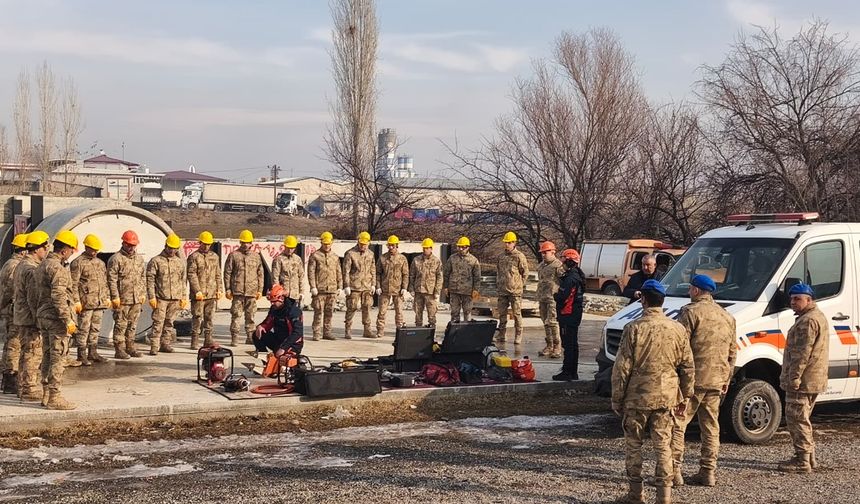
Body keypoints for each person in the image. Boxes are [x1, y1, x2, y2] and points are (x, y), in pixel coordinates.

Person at [612, 280, 695, 504]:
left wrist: (617, 398)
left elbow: (622, 367)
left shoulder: (634, 328)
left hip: (637, 396)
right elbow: (687, 365)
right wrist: (686, 395)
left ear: (643, 299)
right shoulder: (678, 329)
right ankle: (664, 496)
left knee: (634, 445)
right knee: (663, 445)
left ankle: (636, 494)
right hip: (667, 396)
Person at [668, 274, 737, 487]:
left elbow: (680, 345)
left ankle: (674, 472)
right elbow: (732, 351)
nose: (689, 292)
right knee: (710, 426)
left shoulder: (690, 312)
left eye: (690, 288)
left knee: (678, 423)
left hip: (692, 380)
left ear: (696, 291)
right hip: (716, 380)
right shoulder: (727, 316)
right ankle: (708, 472)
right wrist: (727, 376)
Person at [777, 282, 828, 473]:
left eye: (797, 299)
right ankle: (810, 457)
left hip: (803, 380)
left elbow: (801, 354)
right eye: (791, 299)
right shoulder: (817, 317)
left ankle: (802, 460)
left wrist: (794, 378)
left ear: (809, 299)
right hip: (814, 378)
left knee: (796, 419)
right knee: (803, 418)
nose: (793, 302)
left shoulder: (807, 321)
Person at [35, 230, 79, 410]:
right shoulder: (58, 268)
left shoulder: (42, 265)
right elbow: (59, 295)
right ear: (65, 249)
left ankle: (46, 394)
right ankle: (55, 396)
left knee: (47, 354)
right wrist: (67, 319)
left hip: (43, 315)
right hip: (56, 318)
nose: (71, 253)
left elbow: (33, 294)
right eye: (71, 250)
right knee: (58, 356)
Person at [15, 231, 50, 400]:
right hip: (30, 318)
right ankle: (29, 388)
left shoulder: (21, 264)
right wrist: (39, 318)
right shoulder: (31, 269)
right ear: (37, 249)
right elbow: (33, 297)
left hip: (22, 316)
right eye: (45, 248)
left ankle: (22, 386)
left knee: (26, 352)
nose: (46, 251)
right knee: (33, 353)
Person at [69, 234, 110, 366]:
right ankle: (82, 354)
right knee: (83, 328)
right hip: (85, 302)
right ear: (86, 247)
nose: (94, 252)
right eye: (92, 249)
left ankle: (93, 351)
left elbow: (104, 282)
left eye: (96, 250)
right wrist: (76, 301)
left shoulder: (100, 263)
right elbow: (73, 284)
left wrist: (107, 297)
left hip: (99, 302)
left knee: (95, 328)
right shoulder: (78, 263)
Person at [146, 234, 188, 355]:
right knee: (158, 322)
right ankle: (154, 346)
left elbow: (182, 280)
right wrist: (152, 296)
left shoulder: (179, 262)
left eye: (175, 248)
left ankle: (165, 344)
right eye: (170, 248)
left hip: (175, 298)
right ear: (165, 246)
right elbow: (150, 280)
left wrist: (183, 297)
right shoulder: (156, 261)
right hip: (161, 298)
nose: (172, 250)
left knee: (169, 322)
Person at [108, 230, 147, 359]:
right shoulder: (116, 259)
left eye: (133, 245)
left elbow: (142, 277)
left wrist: (142, 293)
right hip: (122, 299)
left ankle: (130, 347)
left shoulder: (139, 259)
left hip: (136, 299)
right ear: (123, 243)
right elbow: (111, 279)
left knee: (132, 324)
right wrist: (115, 297)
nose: (131, 248)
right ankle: (119, 349)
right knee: (121, 324)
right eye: (129, 245)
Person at [223, 229, 263, 346]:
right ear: (240, 242)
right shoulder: (234, 255)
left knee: (250, 316)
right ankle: (234, 337)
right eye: (244, 242)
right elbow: (227, 273)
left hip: (251, 292)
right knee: (236, 315)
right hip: (238, 292)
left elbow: (260, 274)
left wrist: (260, 290)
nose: (246, 245)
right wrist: (228, 289)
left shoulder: (256, 256)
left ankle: (250, 337)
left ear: (252, 243)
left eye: (248, 242)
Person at [0, 233, 28, 393]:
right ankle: (10, 379)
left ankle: (8, 378)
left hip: (10, 309)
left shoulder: (9, 263)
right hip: (13, 310)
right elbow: (10, 291)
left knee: (11, 344)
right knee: (14, 344)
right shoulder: (15, 266)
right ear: (23, 251)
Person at [187, 231, 222, 349]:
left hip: (211, 293)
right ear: (199, 243)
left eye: (208, 244)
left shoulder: (214, 257)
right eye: (204, 244)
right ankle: (195, 340)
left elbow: (218, 274)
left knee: (209, 318)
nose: (206, 246)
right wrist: (197, 290)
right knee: (197, 317)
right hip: (199, 294)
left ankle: (208, 340)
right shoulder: (194, 257)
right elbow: (191, 274)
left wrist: (219, 289)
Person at [553, 249, 585, 380]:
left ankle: (567, 372)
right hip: (575, 313)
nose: (562, 262)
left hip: (568, 314)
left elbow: (562, 297)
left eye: (564, 260)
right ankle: (573, 371)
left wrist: (555, 294)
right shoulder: (578, 275)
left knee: (568, 344)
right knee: (573, 343)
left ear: (569, 261)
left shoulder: (570, 278)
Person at [307, 231, 342, 341]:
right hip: (320, 289)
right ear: (321, 242)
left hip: (332, 289)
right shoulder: (315, 256)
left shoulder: (335, 257)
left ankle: (327, 332)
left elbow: (338, 272)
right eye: (324, 243)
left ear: (332, 243)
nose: (326, 246)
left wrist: (340, 286)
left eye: (328, 243)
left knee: (329, 312)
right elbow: (311, 272)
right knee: (318, 312)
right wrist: (313, 286)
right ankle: (316, 333)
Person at [496, 231, 529, 345]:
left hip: (515, 292)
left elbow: (525, 272)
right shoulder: (501, 257)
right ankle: (502, 334)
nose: (507, 245)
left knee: (516, 314)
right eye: (506, 242)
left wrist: (519, 285)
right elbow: (499, 272)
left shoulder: (519, 256)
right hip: (503, 290)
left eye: (509, 243)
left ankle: (518, 334)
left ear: (514, 243)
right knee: (502, 314)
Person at [253, 284, 303, 357]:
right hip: (279, 339)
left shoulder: (293, 311)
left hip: (292, 344)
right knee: (257, 334)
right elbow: (268, 322)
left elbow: (297, 333)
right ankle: (265, 360)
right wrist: (261, 326)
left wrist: (283, 348)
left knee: (281, 359)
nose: (272, 304)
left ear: (281, 299)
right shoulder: (274, 308)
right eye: (271, 302)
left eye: (274, 301)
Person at [342, 231, 376, 339]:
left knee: (367, 307)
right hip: (354, 286)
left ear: (369, 243)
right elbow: (346, 271)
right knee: (351, 307)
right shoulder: (350, 253)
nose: (363, 246)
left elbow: (373, 270)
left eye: (365, 244)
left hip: (366, 286)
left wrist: (373, 284)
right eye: (361, 244)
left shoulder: (371, 254)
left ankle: (367, 330)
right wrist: (346, 285)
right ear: (358, 242)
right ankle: (348, 330)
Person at [376, 235, 409, 339]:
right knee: (382, 312)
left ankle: (399, 331)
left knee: (399, 312)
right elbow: (377, 273)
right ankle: (380, 331)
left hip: (398, 290)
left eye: (393, 245)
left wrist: (404, 287)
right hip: (385, 289)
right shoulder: (382, 258)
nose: (391, 247)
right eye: (389, 245)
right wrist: (378, 286)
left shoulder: (402, 258)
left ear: (397, 246)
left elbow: (405, 274)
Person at [442, 236, 481, 323]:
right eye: (459, 247)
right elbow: (446, 273)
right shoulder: (452, 258)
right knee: (454, 313)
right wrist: (445, 286)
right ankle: (455, 333)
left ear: (467, 247)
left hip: (467, 292)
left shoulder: (473, 260)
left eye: (463, 247)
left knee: (467, 313)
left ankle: (466, 332)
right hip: (454, 290)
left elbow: (477, 277)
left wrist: (476, 290)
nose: (461, 249)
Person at [536, 241, 564, 359]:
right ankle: (549, 345)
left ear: (553, 252)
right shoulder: (541, 266)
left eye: (546, 252)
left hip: (553, 299)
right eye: (542, 252)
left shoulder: (558, 266)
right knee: (545, 321)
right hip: (543, 297)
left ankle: (557, 346)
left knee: (552, 322)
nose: (543, 254)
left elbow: (564, 282)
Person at [409, 238, 443, 327]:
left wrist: (437, 291)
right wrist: (411, 289)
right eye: (424, 248)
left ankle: (432, 332)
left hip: (430, 292)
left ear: (431, 248)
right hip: (418, 291)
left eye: (427, 248)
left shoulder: (436, 261)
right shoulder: (416, 260)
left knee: (432, 314)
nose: (425, 249)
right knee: (418, 314)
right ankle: (419, 331)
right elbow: (412, 275)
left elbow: (439, 277)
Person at [271, 235, 304, 305]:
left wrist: (302, 292)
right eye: (288, 248)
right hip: (282, 293)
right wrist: (277, 292)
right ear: (285, 246)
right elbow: (275, 276)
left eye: (292, 248)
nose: (290, 250)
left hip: (295, 294)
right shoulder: (279, 259)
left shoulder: (298, 259)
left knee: (293, 314)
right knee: (282, 315)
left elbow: (301, 276)